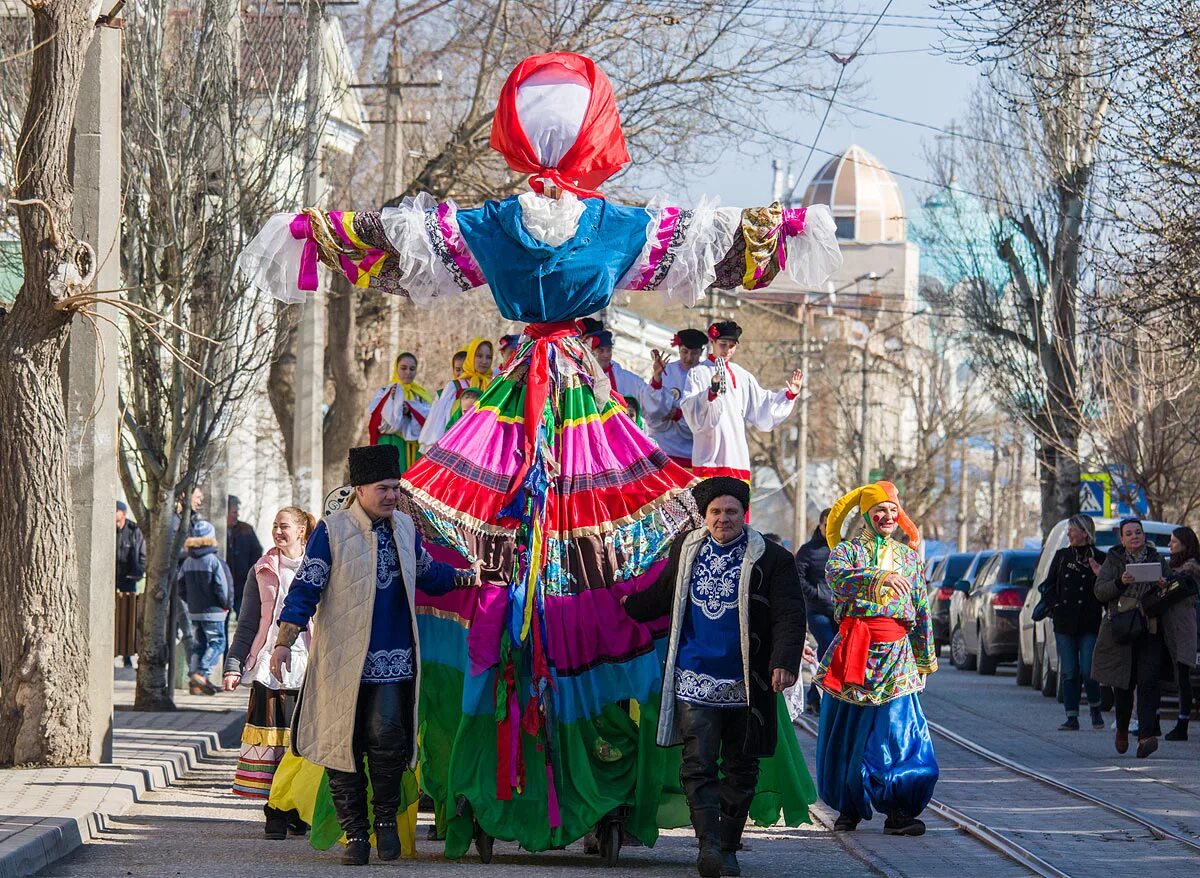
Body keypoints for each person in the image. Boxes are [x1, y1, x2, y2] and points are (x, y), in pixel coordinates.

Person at [236, 50, 841, 856]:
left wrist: (780, 234)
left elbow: (698, 241)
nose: (551, 180)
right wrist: (326, 234)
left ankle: (609, 780)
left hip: (567, 401)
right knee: (499, 518)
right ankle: (442, 791)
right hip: (532, 400)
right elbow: (421, 241)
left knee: (626, 530)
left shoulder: (548, 223)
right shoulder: (560, 223)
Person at [269, 445, 482, 866]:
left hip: (394, 660)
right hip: (342, 662)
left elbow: (428, 572)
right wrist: (283, 639)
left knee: (388, 743)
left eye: (396, 488)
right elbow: (306, 589)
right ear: (360, 488)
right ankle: (355, 835)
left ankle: (385, 820)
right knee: (341, 746)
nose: (391, 496)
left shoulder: (404, 526)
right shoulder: (331, 531)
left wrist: (469, 576)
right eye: (383, 488)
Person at [621, 477, 806, 878]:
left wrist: (785, 661)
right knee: (697, 763)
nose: (723, 519)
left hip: (749, 680)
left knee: (741, 767)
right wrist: (620, 603)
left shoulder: (772, 558)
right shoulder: (686, 549)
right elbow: (662, 595)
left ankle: (728, 845)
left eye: (731, 512)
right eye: (716, 512)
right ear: (704, 517)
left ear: (744, 514)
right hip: (694, 676)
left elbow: (789, 614)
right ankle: (708, 845)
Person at [815, 482, 938, 837]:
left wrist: (924, 658)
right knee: (851, 732)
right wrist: (878, 578)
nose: (887, 516)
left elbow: (921, 609)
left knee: (899, 733)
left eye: (893, 510)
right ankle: (849, 806)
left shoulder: (910, 557)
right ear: (866, 515)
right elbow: (835, 579)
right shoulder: (847, 552)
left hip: (898, 655)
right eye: (879, 511)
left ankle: (899, 809)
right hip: (857, 649)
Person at [223, 506, 317, 838]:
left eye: (285, 526)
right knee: (273, 743)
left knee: (302, 741)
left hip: (309, 666)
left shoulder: (319, 567)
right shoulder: (261, 569)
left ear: (302, 530)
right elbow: (247, 622)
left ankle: (296, 806)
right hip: (269, 669)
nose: (279, 531)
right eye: (275, 526)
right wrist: (234, 665)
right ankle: (274, 811)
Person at [682, 320, 803, 482]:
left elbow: (761, 405)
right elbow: (690, 409)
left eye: (732, 346)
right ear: (713, 342)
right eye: (723, 344)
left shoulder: (742, 375)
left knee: (736, 504)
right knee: (709, 505)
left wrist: (788, 396)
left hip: (736, 456)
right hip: (709, 455)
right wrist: (710, 393)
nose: (727, 350)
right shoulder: (699, 373)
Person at [1093, 518, 1172, 758]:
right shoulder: (1114, 560)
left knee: (1148, 683)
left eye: (1138, 532)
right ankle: (1123, 730)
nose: (1135, 536)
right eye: (1129, 533)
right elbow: (1100, 591)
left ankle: (1147, 736)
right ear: (1122, 539)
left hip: (1149, 628)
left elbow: (1171, 586)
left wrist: (1163, 585)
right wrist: (1120, 582)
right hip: (1122, 630)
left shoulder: (1156, 558)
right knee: (1124, 686)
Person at [1038, 514, 1107, 730]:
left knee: (1088, 670)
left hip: (1089, 622)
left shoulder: (1100, 558)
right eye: (1068, 530)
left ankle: (1095, 709)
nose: (1069, 533)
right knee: (1069, 671)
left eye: (1072, 530)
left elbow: (1106, 590)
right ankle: (1072, 716)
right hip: (1064, 623)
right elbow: (1048, 585)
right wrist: (1055, 606)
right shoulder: (1062, 557)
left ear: (1085, 532)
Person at [178, 519, 232, 695]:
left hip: (194, 610)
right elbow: (222, 588)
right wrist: (226, 605)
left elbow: (180, 587)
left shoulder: (187, 562)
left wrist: (190, 602)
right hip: (214, 611)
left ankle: (194, 682)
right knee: (217, 642)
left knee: (198, 644)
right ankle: (201, 673)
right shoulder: (214, 561)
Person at [646, 328, 707, 469]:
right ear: (678, 349)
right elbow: (651, 408)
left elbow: (707, 416)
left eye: (695, 353)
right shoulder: (666, 370)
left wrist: (678, 415)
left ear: (702, 352)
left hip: (694, 453)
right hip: (664, 448)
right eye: (685, 352)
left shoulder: (707, 376)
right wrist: (657, 377)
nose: (689, 358)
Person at [419, 337, 492, 451]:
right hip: (457, 444)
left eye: (488, 357)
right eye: (479, 356)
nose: (484, 361)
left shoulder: (493, 384)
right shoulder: (455, 386)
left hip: (483, 445)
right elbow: (439, 419)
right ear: (471, 357)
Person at [795, 507, 835, 714]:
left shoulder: (844, 549)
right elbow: (797, 577)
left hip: (840, 612)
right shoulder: (808, 550)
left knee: (834, 653)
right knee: (829, 648)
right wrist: (816, 594)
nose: (830, 529)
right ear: (820, 525)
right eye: (827, 525)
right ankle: (819, 698)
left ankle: (814, 696)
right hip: (817, 611)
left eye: (834, 525)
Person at [589, 326, 668, 428]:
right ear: (592, 352)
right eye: (601, 351)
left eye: (609, 350)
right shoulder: (585, 377)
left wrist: (657, 377)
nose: (606, 355)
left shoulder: (624, 378)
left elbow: (648, 402)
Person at [368, 352, 435, 472]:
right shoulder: (384, 392)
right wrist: (391, 400)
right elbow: (376, 418)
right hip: (391, 442)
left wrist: (410, 410)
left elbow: (430, 416)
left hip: (415, 446)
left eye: (412, 369)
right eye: (403, 368)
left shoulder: (421, 394)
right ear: (396, 368)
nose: (408, 372)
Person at [1162, 526, 1199, 741]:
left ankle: (1182, 723)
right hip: (1171, 625)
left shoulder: (1190, 567)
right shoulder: (1173, 565)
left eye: (1174, 541)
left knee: (1183, 675)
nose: (1170, 545)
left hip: (1184, 625)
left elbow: (1175, 587)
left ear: (1185, 544)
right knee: (1175, 674)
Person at [115, 500, 147, 667]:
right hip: (112, 579)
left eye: (116, 511)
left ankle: (127, 655)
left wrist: (138, 573)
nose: (113, 514)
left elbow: (142, 554)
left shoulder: (134, 530)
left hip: (129, 579)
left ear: (123, 514)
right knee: (112, 616)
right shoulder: (108, 529)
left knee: (129, 617)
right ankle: (113, 650)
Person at [227, 495, 264, 617]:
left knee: (245, 619)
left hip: (242, 585)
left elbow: (257, 552)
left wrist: (250, 573)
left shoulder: (246, 529)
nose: (237, 515)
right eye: (234, 512)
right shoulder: (216, 531)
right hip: (223, 586)